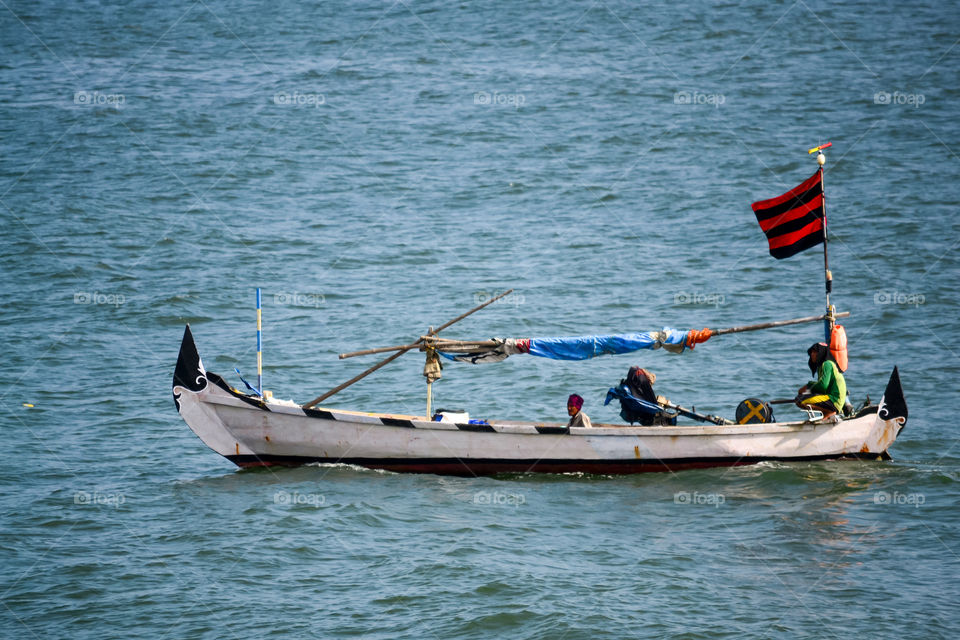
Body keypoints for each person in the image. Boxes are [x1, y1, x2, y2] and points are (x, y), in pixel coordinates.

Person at [796, 342, 847, 420]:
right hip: (831, 397)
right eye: (811, 352)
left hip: (834, 399)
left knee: (800, 400)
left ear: (821, 353)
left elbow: (823, 386)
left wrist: (808, 386)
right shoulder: (821, 366)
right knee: (800, 398)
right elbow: (822, 387)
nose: (812, 354)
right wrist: (808, 390)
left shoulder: (827, 364)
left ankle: (830, 412)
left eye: (815, 352)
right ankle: (826, 414)